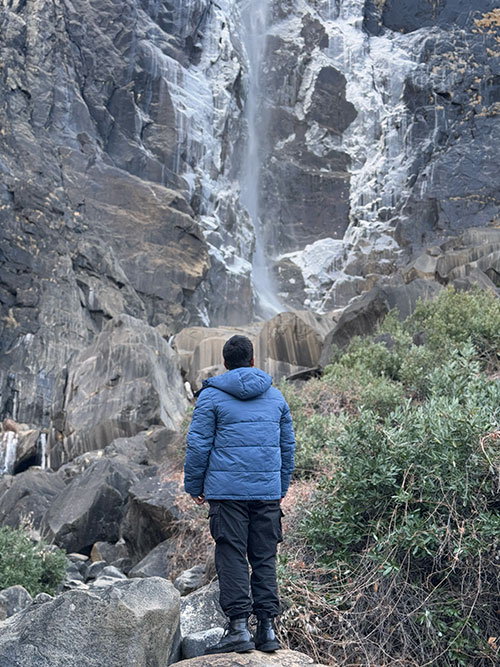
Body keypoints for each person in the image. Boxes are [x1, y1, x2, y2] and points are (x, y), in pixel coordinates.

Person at [184, 334, 296, 654]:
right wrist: (281, 486)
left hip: (227, 493)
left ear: (225, 363)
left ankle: (238, 629)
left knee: (231, 553)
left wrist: (194, 485)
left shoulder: (211, 396)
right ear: (251, 361)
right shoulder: (276, 398)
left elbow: (198, 445)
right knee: (264, 557)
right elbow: (288, 448)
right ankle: (268, 631)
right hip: (267, 493)